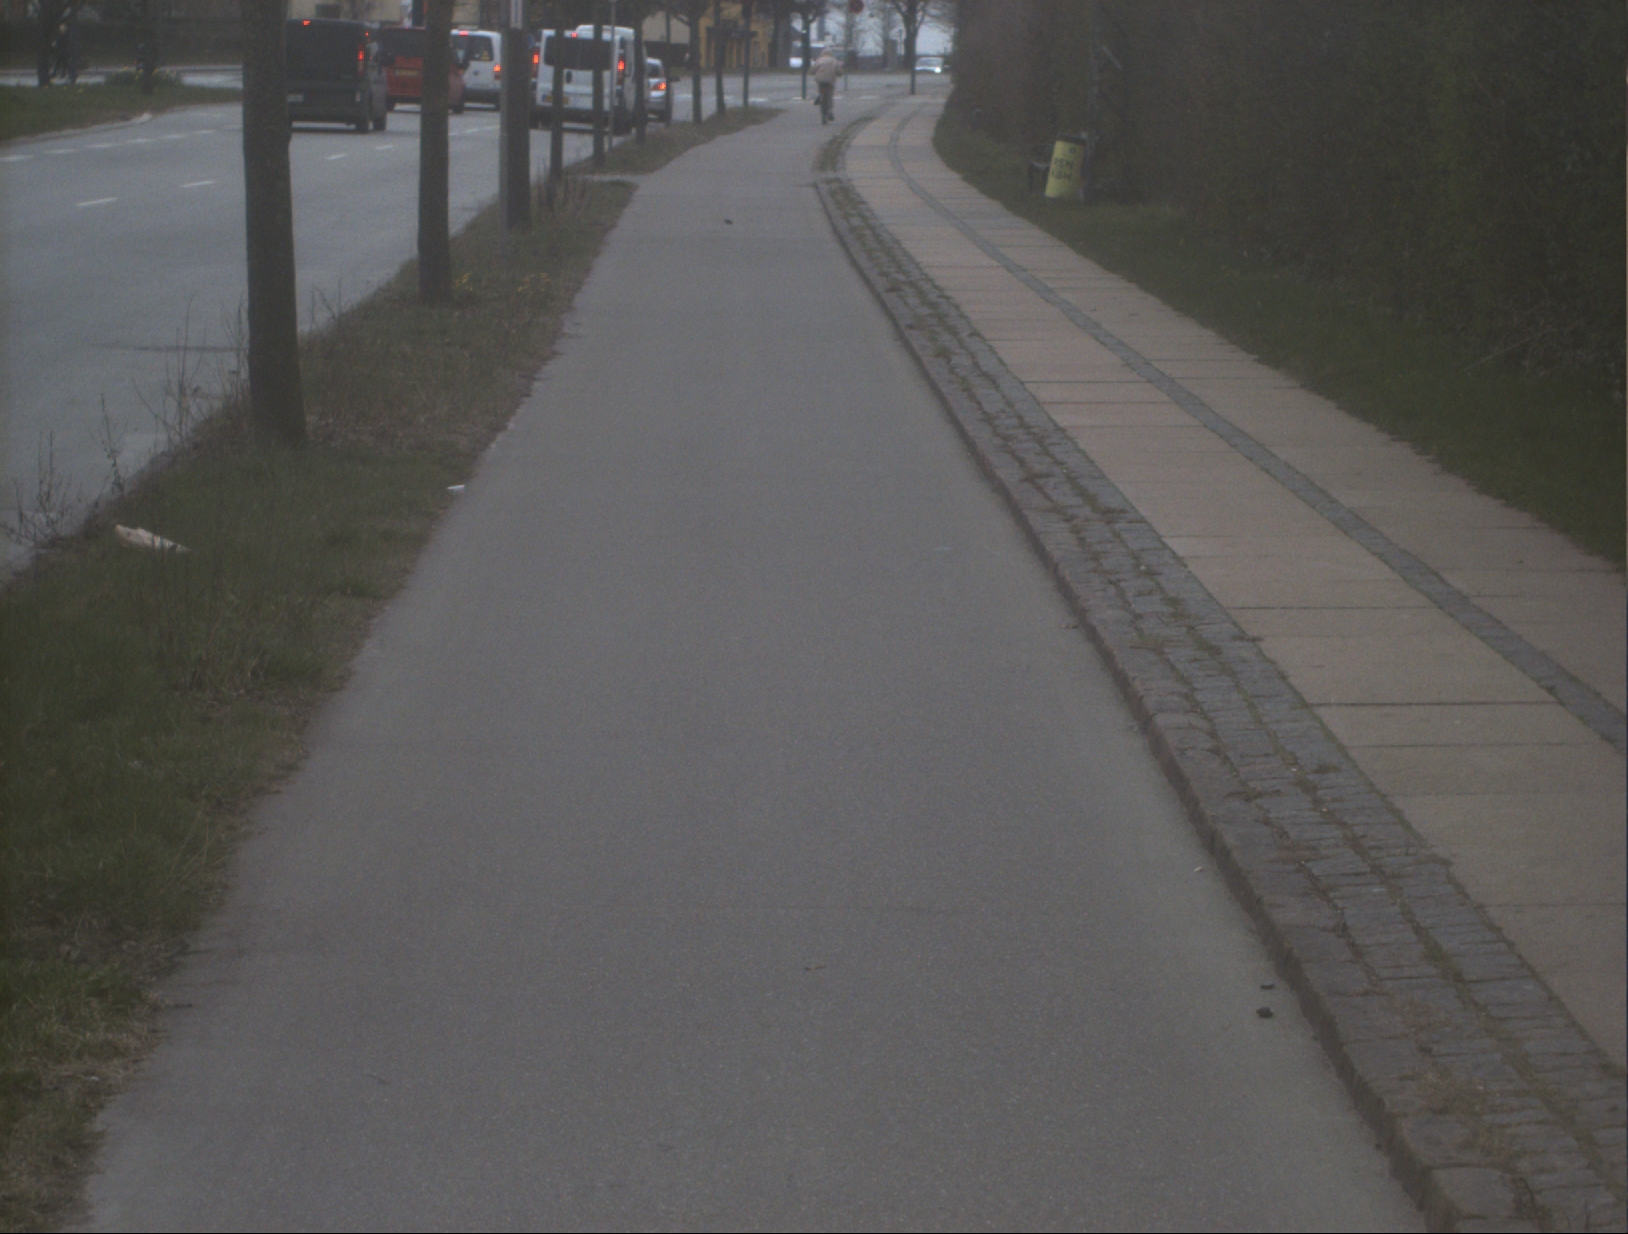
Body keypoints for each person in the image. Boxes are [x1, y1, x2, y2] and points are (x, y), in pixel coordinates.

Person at [810, 46, 841, 124]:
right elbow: (839, 71)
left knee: (822, 92)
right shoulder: (834, 61)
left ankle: (820, 97)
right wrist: (839, 74)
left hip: (821, 81)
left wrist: (812, 72)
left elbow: (812, 70)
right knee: (829, 96)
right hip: (830, 81)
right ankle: (830, 111)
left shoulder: (819, 60)